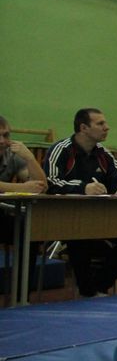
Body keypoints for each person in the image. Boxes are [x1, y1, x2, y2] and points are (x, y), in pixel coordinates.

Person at [43, 108, 117, 298]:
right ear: (83, 128)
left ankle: (101, 285)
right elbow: (51, 182)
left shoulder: (104, 154)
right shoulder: (60, 149)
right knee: (80, 235)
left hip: (100, 218)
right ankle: (88, 292)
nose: (107, 127)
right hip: (65, 218)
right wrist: (83, 187)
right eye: (100, 124)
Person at [0, 116, 48, 294]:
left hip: (2, 215)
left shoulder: (11, 155)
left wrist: (30, 158)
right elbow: (26, 186)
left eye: (6, 135)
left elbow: (41, 186)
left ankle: (21, 294)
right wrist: (21, 187)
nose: (2, 141)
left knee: (28, 230)